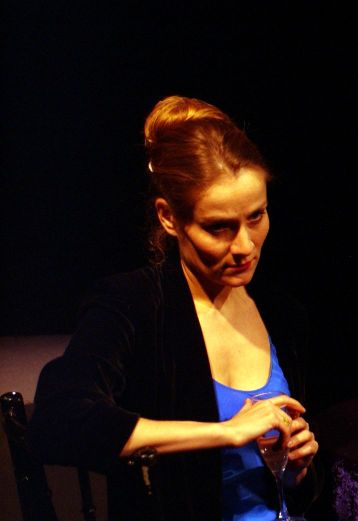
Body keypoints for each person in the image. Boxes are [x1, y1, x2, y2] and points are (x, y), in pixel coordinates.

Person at [28, 95, 319, 520]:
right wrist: (225, 433)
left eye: (256, 217)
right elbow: (58, 421)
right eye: (218, 227)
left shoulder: (282, 312)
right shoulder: (133, 305)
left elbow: (300, 484)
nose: (244, 246)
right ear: (168, 218)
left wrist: (296, 469)